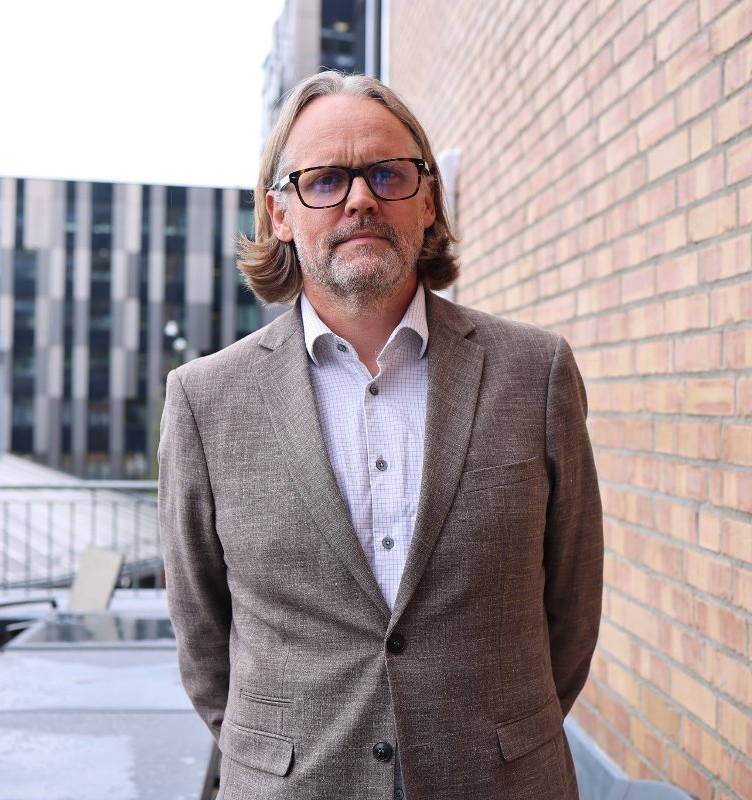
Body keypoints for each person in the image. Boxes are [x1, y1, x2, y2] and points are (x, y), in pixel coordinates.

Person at [158, 70, 602, 800]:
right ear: (279, 214)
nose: (361, 198)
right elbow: (202, 640)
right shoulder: (205, 401)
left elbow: (573, 607)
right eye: (326, 180)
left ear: (427, 201)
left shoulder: (536, 372)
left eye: (388, 174)